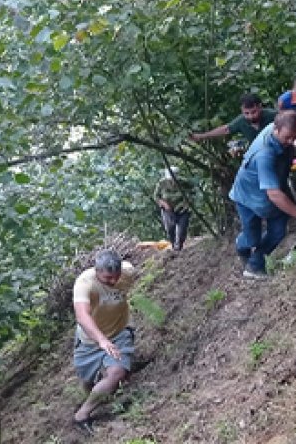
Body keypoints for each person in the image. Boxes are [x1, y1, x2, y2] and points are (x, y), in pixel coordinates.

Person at [229, 111, 296, 279]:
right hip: (248, 196)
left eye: (294, 137)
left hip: (270, 191)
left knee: (278, 232)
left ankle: (254, 266)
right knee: (252, 239)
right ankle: (242, 245)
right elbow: (274, 194)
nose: (291, 141)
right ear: (276, 130)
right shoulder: (265, 154)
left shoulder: (279, 130)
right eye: (287, 137)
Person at [71, 250, 138, 431]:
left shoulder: (128, 272)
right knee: (86, 381)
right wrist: (101, 340)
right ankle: (99, 396)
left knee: (116, 373)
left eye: (116, 276)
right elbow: (82, 316)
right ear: (97, 271)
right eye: (108, 278)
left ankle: (81, 415)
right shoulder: (85, 283)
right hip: (89, 338)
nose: (113, 281)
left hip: (119, 332)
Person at [191, 94, 277, 147]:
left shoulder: (273, 116)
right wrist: (201, 136)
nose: (250, 116)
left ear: (260, 107)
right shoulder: (241, 121)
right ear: (241, 110)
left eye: (253, 112)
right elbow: (225, 130)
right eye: (246, 113)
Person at [153, 172, 192, 250]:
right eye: (170, 179)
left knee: (182, 230)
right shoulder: (161, 183)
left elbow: (192, 192)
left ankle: (179, 246)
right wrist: (164, 204)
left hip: (182, 209)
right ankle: (173, 245)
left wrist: (188, 202)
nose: (172, 181)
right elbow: (156, 196)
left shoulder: (184, 182)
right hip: (168, 210)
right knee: (170, 228)